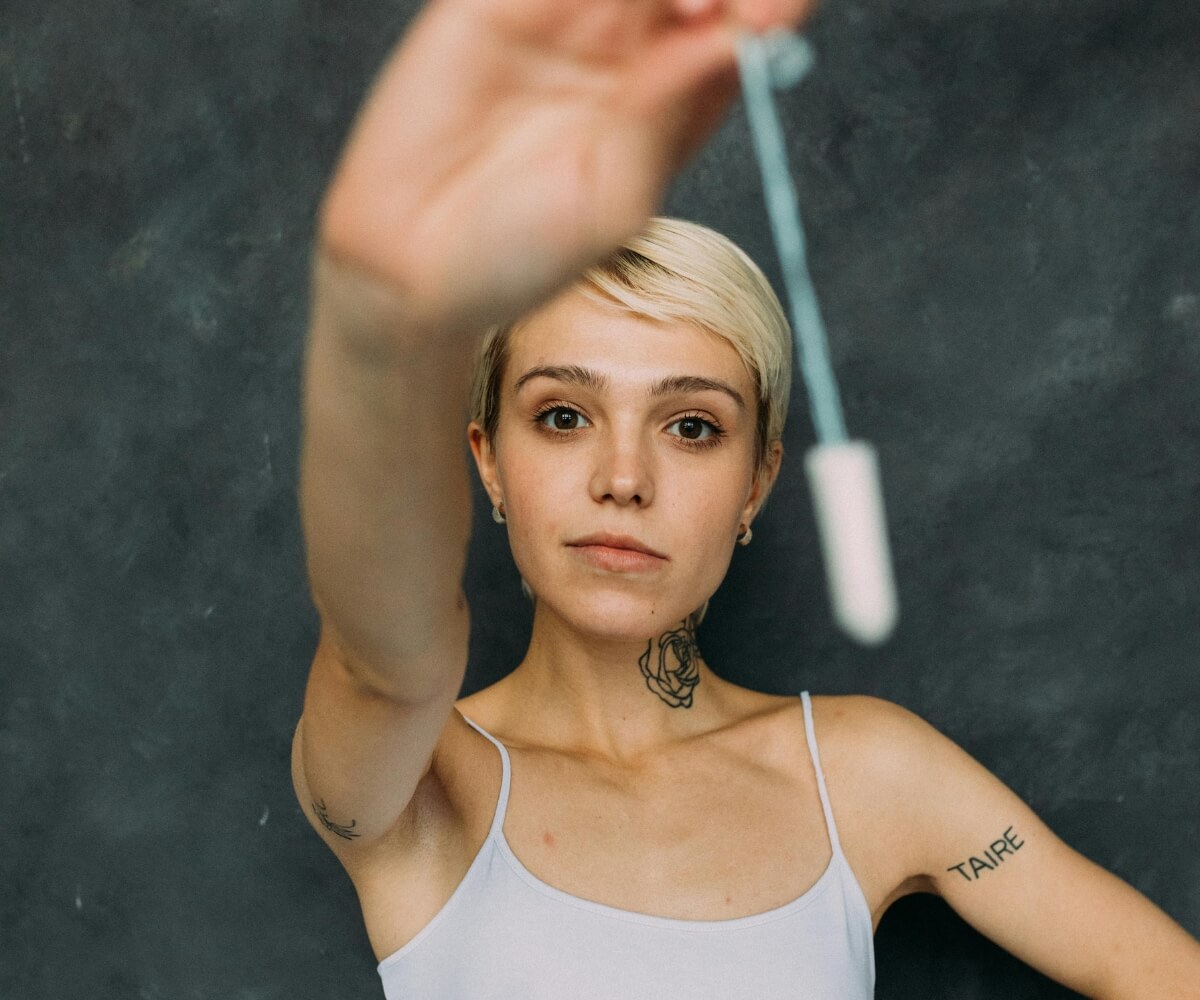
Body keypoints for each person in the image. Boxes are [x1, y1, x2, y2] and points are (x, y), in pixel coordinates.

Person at [291, 0, 1200, 995]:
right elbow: (388, 657)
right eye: (562, 415)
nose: (623, 477)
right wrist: (379, 321)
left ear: (756, 481)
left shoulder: (864, 772)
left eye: (691, 426)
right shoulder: (423, 786)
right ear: (488, 459)